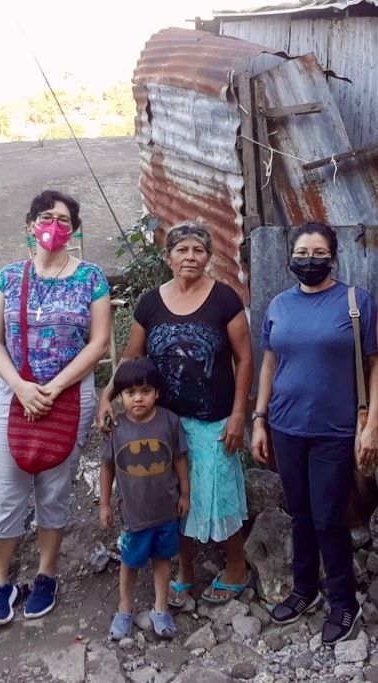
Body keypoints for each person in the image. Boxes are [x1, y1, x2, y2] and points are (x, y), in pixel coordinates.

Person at [96, 221, 253, 608]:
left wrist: (238, 415)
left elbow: (245, 357)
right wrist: (107, 394)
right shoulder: (151, 303)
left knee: (221, 493)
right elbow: (133, 357)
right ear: (168, 257)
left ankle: (236, 567)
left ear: (209, 257)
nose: (190, 257)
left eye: (198, 250)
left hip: (213, 418)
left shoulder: (224, 299)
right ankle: (184, 570)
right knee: (173, 496)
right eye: (182, 250)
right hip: (163, 419)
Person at [250, 222, 378, 645]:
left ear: (333, 257)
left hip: (334, 430)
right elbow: (270, 363)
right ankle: (304, 590)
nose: (309, 260)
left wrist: (374, 423)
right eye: (302, 252)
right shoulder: (279, 304)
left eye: (318, 253)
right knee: (300, 513)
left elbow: (377, 365)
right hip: (285, 426)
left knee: (330, 517)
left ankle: (345, 601)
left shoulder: (354, 301)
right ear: (290, 256)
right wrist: (259, 418)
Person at [0, 189, 110, 626]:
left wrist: (52, 387)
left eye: (62, 219)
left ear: (74, 229)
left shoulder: (91, 278)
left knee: (55, 488)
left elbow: (99, 343)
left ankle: (45, 574)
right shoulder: (7, 277)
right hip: (14, 393)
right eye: (44, 216)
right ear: (29, 224)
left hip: (69, 394)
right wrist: (20, 386)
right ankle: (0, 581)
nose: (52, 225)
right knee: (7, 488)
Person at [99, 358, 190, 641]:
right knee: (130, 561)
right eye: (130, 393)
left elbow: (179, 459)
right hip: (133, 515)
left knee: (163, 559)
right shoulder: (115, 427)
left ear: (157, 393)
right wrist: (103, 504)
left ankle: (160, 608)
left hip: (165, 511)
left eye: (146, 391)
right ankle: (125, 609)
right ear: (120, 396)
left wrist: (185, 494)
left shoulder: (169, 421)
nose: (138, 398)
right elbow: (107, 467)